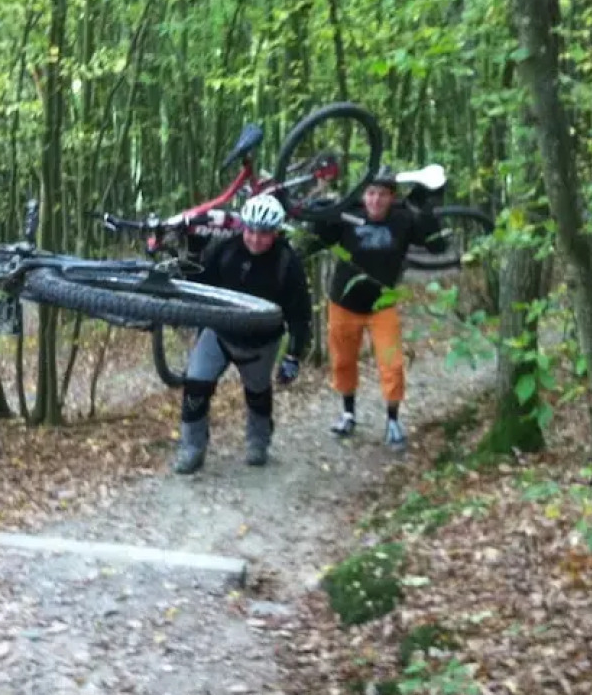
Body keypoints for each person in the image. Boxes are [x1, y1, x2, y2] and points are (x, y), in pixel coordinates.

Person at [173, 193, 313, 475]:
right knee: (195, 387)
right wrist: (193, 252)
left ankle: (258, 440)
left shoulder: (287, 262)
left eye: (263, 234)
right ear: (242, 227)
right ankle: (192, 448)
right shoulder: (227, 248)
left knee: (257, 393)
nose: (255, 239)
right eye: (250, 230)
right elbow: (198, 284)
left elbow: (300, 314)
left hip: (260, 341)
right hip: (219, 332)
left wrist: (294, 356)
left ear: (275, 233)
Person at [308, 166, 444, 450]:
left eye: (383, 194)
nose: (375, 200)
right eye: (370, 193)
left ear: (392, 197)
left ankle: (393, 420)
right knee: (343, 362)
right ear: (363, 195)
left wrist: (427, 211)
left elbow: (436, 246)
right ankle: (348, 414)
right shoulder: (348, 215)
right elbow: (317, 240)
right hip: (344, 302)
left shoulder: (403, 219)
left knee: (392, 365)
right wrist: (318, 207)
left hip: (382, 305)